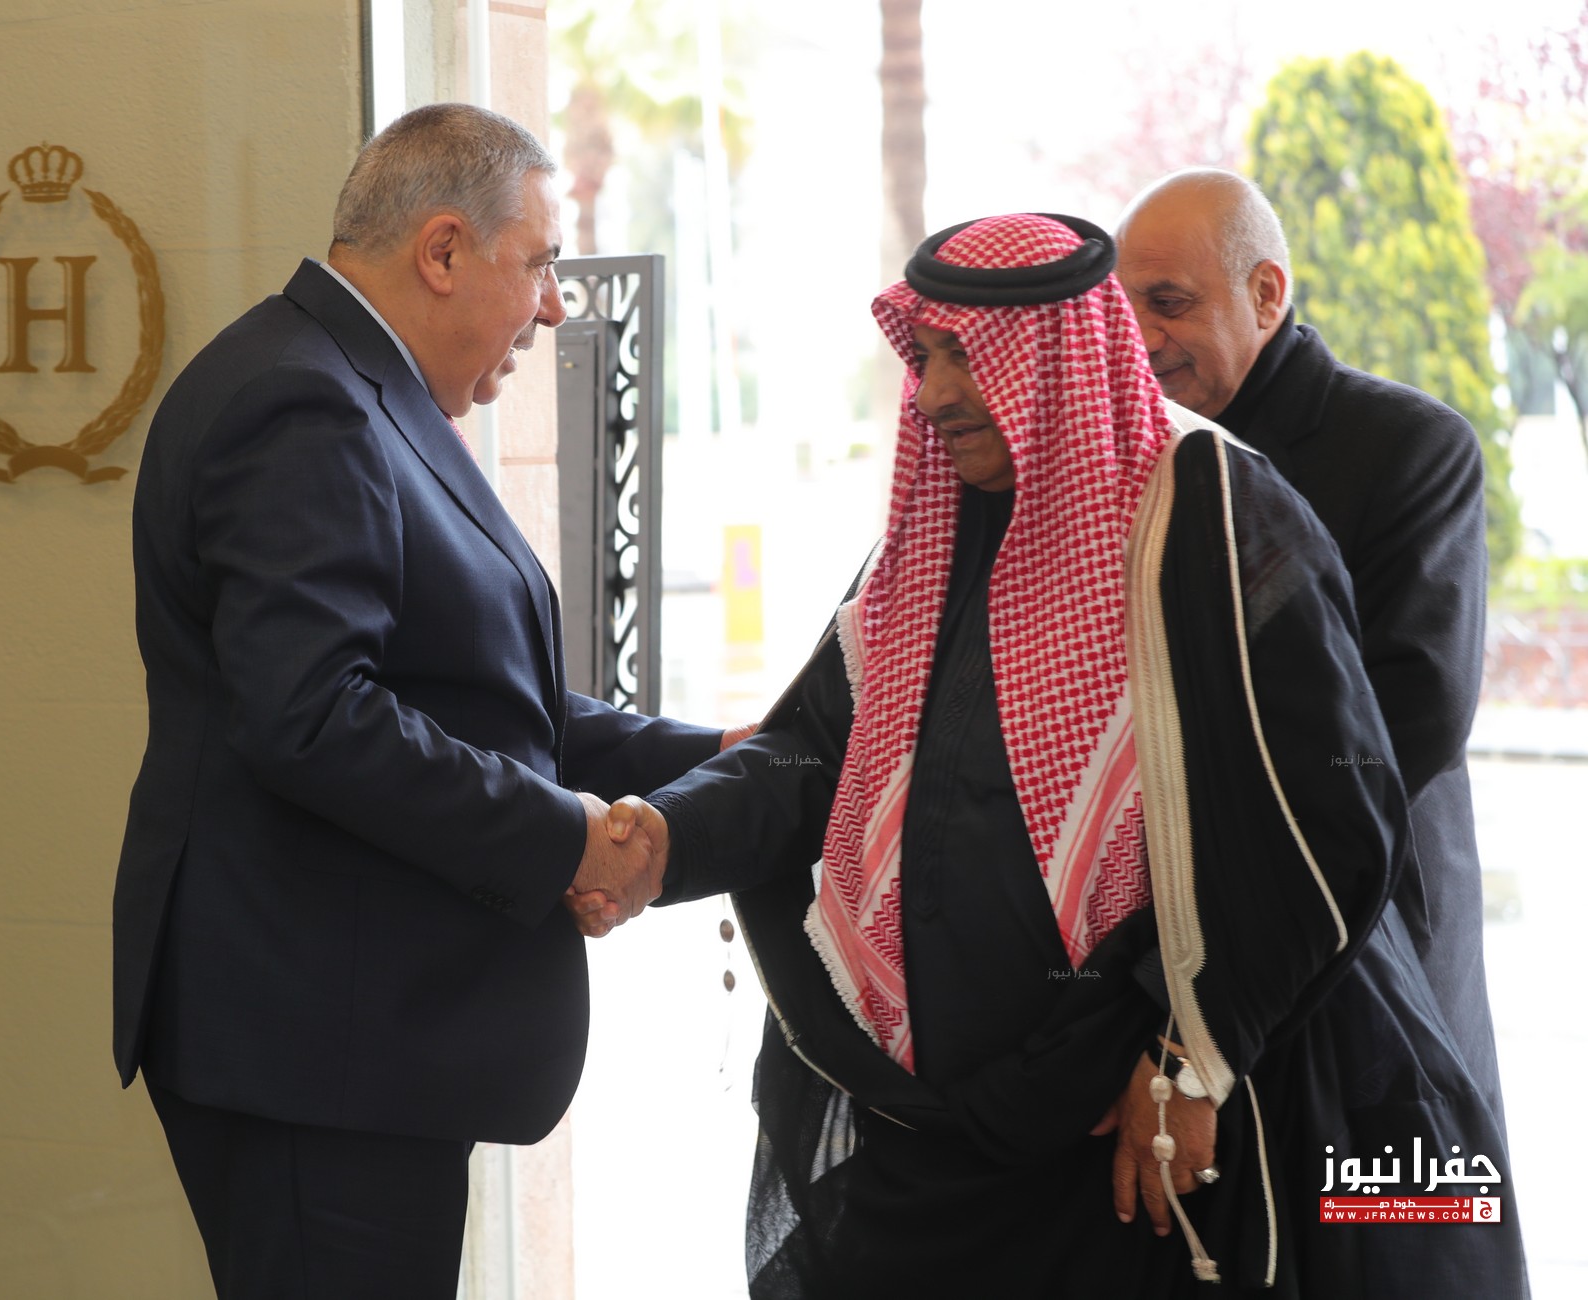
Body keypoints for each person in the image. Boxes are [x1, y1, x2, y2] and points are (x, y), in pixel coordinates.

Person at [588, 214, 1526, 1297]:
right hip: (943, 1129)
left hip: (1133, 1120)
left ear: (1053, 359)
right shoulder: (935, 528)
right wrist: (665, 837)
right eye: (924, 357)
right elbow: (812, 752)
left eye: (965, 357)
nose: (934, 396)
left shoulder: (1209, 509)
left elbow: (1330, 818)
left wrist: (1190, 1058)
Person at [111, 103, 729, 1299]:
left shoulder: (358, 387)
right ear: (443, 250)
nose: (555, 306)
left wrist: (715, 755)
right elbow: (314, 717)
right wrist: (565, 837)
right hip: (311, 1052)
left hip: (351, 1043)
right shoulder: (302, 403)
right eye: (539, 263)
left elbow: (482, 695)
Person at [1114, 169, 1505, 1122]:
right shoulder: (1132, 455)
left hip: (1361, 937)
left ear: (1266, 294)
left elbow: (1408, 724)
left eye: (1170, 303)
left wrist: (1228, 930)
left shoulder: (1408, 446)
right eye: (1124, 311)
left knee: (1384, 1198)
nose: (1141, 338)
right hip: (1166, 941)